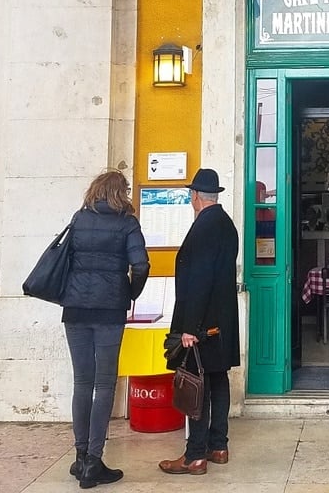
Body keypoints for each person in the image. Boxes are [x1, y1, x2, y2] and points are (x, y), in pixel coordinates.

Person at [61, 169, 150, 489]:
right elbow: (140, 264)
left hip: (75, 310)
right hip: (109, 310)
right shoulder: (127, 222)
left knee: (82, 382)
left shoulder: (79, 218)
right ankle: (95, 461)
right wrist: (130, 292)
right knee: (105, 383)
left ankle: (81, 456)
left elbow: (66, 259)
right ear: (121, 192)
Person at [159, 168, 240, 476]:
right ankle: (219, 447)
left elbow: (200, 281)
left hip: (202, 325)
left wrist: (189, 329)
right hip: (222, 322)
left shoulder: (204, 227)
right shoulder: (226, 224)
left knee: (196, 384)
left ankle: (195, 456)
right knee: (218, 380)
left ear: (195, 197)